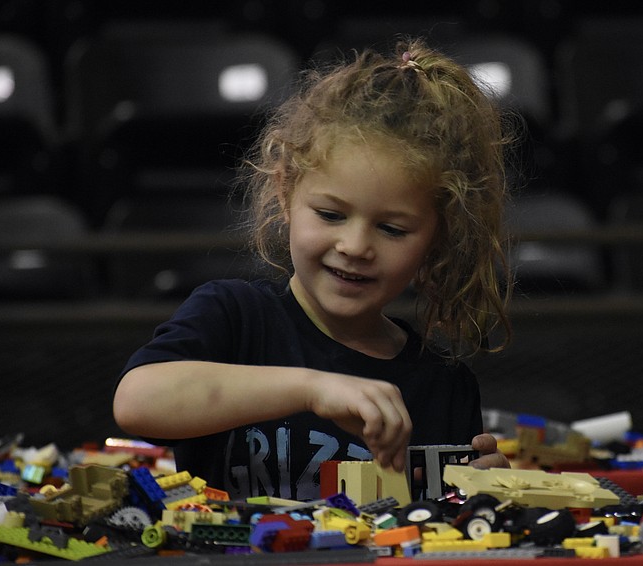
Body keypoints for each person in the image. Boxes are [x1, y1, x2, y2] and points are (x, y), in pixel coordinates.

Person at [113, 38, 515, 501]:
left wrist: (483, 493)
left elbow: (439, 525)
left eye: (391, 229)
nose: (355, 246)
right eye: (330, 215)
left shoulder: (445, 384)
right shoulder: (234, 316)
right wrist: (312, 389)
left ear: (438, 237)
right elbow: (136, 402)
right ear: (285, 194)